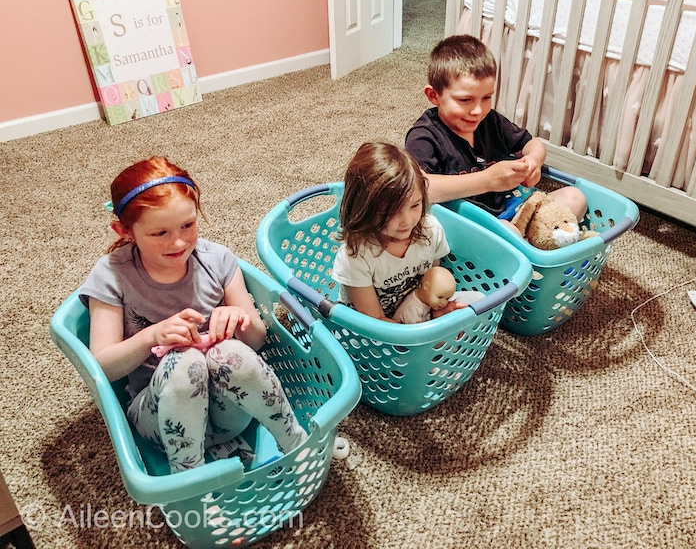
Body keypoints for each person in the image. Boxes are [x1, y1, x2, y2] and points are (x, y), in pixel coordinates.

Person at [80, 156, 307, 473]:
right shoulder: (112, 274)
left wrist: (240, 320)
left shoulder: (217, 260)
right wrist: (151, 336)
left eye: (188, 225)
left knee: (230, 352)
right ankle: (190, 478)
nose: (178, 242)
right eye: (159, 233)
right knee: (185, 362)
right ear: (125, 230)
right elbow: (101, 367)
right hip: (159, 420)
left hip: (230, 413)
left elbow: (256, 341)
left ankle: (296, 444)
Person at [405, 34, 587, 223]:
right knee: (511, 233)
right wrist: (487, 180)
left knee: (575, 198)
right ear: (433, 95)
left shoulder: (490, 120)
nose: (477, 110)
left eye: (486, 98)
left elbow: (531, 144)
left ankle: (537, 240)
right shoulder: (423, 136)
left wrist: (534, 160)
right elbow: (421, 188)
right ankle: (530, 243)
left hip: (516, 205)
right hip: (474, 224)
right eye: (465, 100)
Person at [331, 142, 483, 323]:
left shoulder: (431, 230)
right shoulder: (356, 255)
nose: (407, 220)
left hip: (417, 307)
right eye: (391, 211)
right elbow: (375, 320)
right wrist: (424, 334)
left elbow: (432, 284)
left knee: (479, 301)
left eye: (415, 205)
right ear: (364, 209)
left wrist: (438, 310)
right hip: (377, 327)